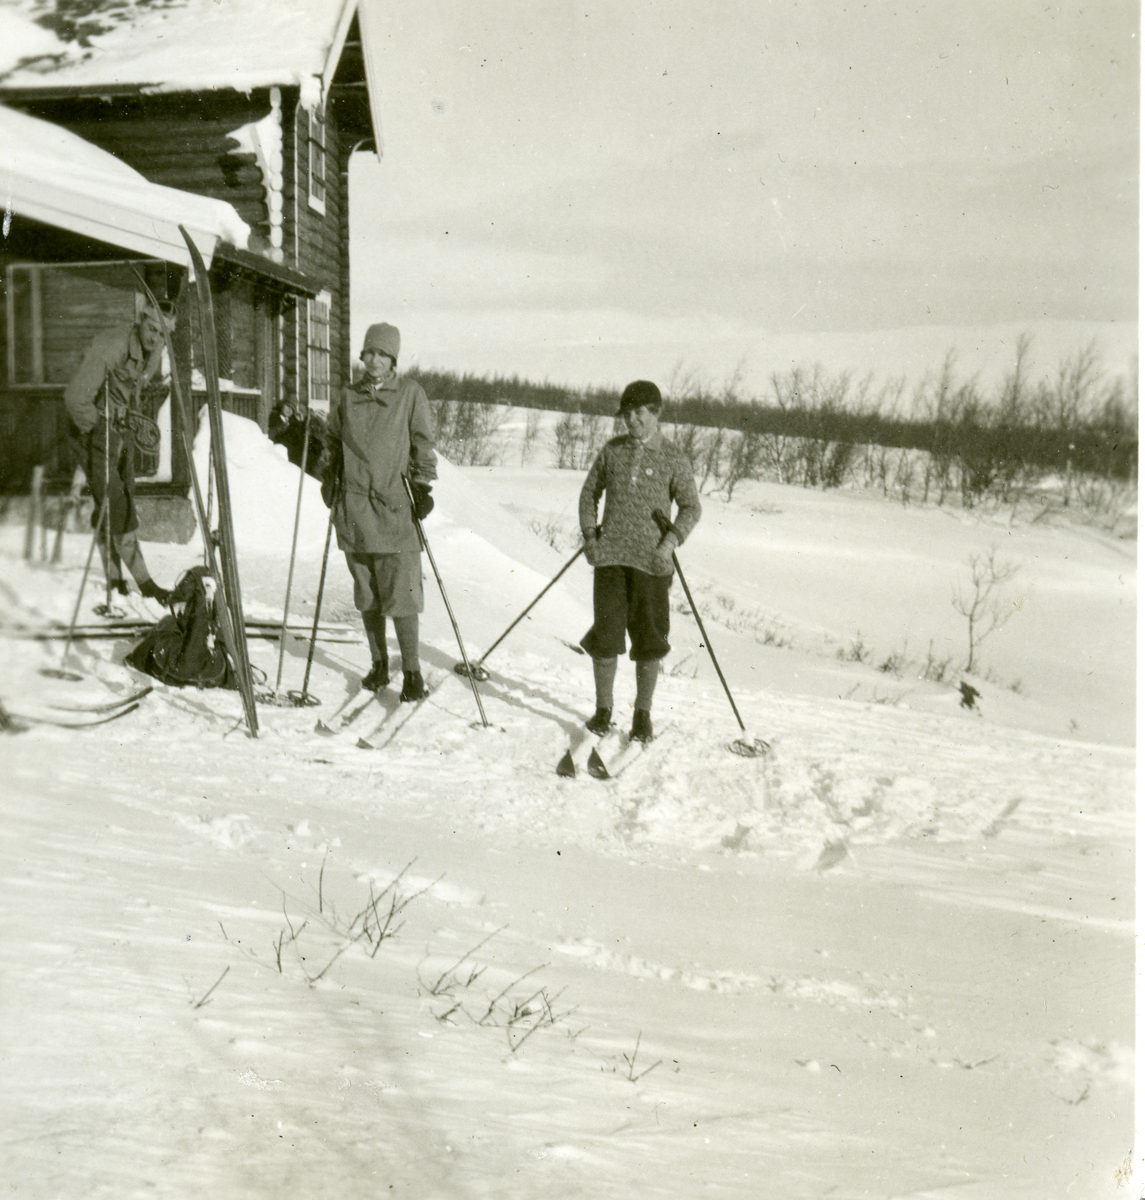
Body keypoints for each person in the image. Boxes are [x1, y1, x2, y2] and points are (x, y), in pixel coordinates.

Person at [578, 380, 701, 742]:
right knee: (606, 638)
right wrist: (589, 535)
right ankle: (603, 711)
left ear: (656, 412)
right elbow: (589, 494)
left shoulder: (674, 457)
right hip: (611, 560)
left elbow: (692, 507)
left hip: (652, 565)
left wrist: (670, 542)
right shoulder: (611, 451)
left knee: (648, 641)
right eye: (626, 414)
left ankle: (642, 715)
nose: (630, 420)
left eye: (638, 412)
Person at [322, 322, 437, 701]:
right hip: (354, 506)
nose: (373, 360)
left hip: (394, 508)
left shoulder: (409, 395)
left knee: (402, 595)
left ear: (393, 359)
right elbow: (332, 440)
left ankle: (412, 672)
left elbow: (423, 443)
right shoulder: (347, 396)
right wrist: (329, 473)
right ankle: (378, 664)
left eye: (382, 354)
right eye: (369, 352)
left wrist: (422, 486)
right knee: (367, 595)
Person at [63, 298, 176, 605]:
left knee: (120, 497)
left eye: (163, 334)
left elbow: (134, 385)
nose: (156, 338)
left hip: (118, 429)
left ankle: (115, 579)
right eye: (152, 329)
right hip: (91, 427)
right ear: (141, 321)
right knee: (117, 505)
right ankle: (148, 585)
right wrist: (99, 429)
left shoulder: (153, 350)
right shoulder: (112, 346)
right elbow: (75, 398)